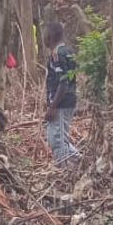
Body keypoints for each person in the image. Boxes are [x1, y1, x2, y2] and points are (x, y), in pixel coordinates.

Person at [44, 20, 79, 165]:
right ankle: (80, 161)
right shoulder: (69, 51)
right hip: (69, 100)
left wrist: (52, 106)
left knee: (57, 140)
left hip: (61, 103)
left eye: (45, 34)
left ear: (50, 37)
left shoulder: (57, 54)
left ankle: (66, 171)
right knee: (61, 138)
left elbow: (63, 82)